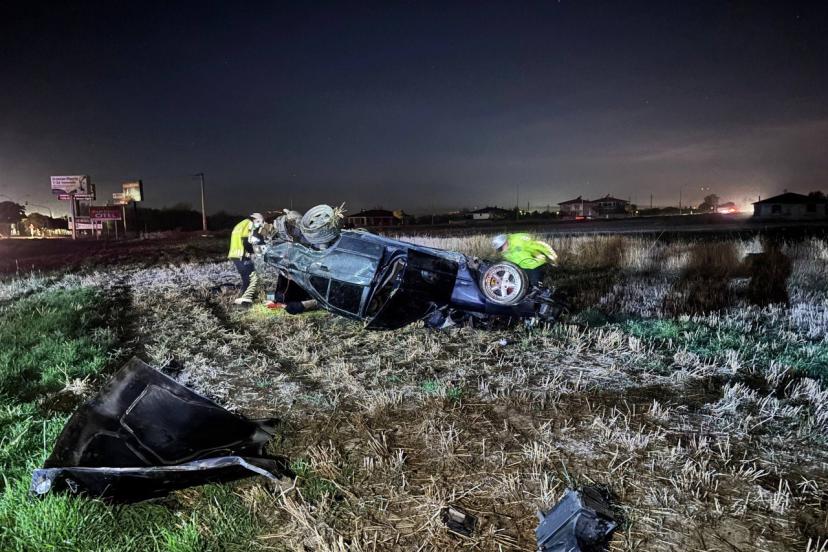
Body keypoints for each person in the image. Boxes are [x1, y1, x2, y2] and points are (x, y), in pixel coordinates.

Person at [491, 233, 558, 287]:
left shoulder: (519, 240)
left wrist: (552, 256)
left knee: (536, 285)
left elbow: (540, 245)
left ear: (505, 242)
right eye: (498, 249)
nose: (501, 251)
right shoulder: (505, 252)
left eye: (500, 248)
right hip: (523, 268)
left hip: (536, 264)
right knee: (524, 287)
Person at [228, 213, 265, 305]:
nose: (260, 224)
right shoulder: (247, 224)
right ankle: (244, 301)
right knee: (248, 278)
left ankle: (247, 296)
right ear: (253, 219)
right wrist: (257, 251)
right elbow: (246, 241)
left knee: (250, 276)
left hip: (238, 255)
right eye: (259, 221)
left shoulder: (241, 224)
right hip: (241, 255)